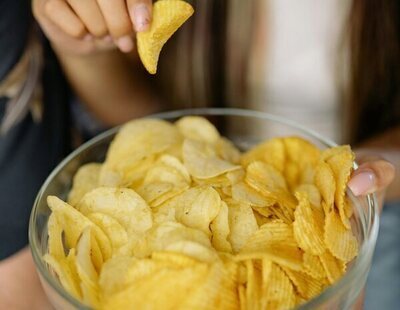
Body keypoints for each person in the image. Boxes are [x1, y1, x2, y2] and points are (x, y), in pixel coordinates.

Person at [0, 0, 397, 309]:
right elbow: (141, 128)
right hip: (205, 170)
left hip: (362, 204)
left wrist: (376, 163)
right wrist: (83, 48)